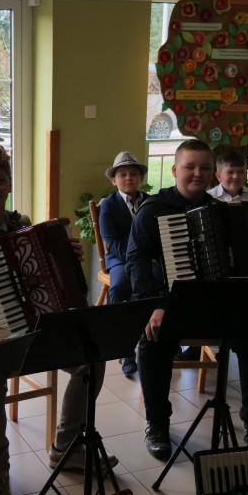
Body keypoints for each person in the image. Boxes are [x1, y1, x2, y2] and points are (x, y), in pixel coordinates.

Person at [0, 141, 115, 495]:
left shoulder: (23, 225)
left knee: (91, 360)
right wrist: (6, 336)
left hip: (30, 328)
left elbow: (47, 283)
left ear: (8, 183)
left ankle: (67, 447)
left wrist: (66, 256)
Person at [126, 139, 248, 457]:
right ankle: (157, 423)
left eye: (205, 167)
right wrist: (153, 305)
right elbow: (136, 261)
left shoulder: (225, 211)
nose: (198, 173)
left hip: (219, 304)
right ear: (174, 170)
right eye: (190, 167)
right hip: (171, 305)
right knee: (151, 343)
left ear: (213, 173)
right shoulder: (153, 210)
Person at [98, 150, 153, 376]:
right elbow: (112, 241)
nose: (128, 178)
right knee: (120, 285)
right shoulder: (109, 206)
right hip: (119, 258)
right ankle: (125, 348)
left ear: (141, 178)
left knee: (161, 281)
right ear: (114, 180)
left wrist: (146, 259)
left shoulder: (151, 202)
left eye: (133, 174)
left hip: (147, 257)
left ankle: (155, 338)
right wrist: (134, 261)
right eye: (122, 175)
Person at [207, 148, 248, 242]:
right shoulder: (208, 198)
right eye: (230, 172)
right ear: (218, 176)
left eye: (241, 172)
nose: (236, 176)